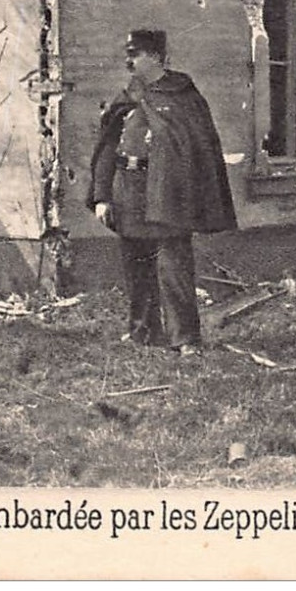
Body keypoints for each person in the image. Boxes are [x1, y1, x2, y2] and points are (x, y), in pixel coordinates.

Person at [88, 29, 237, 355]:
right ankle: (143, 331)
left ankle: (185, 339)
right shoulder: (128, 96)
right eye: (127, 53)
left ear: (156, 56)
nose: (128, 60)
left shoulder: (183, 96)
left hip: (167, 191)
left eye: (135, 53)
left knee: (173, 267)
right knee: (136, 265)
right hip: (129, 189)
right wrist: (102, 196)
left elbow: (197, 147)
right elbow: (108, 148)